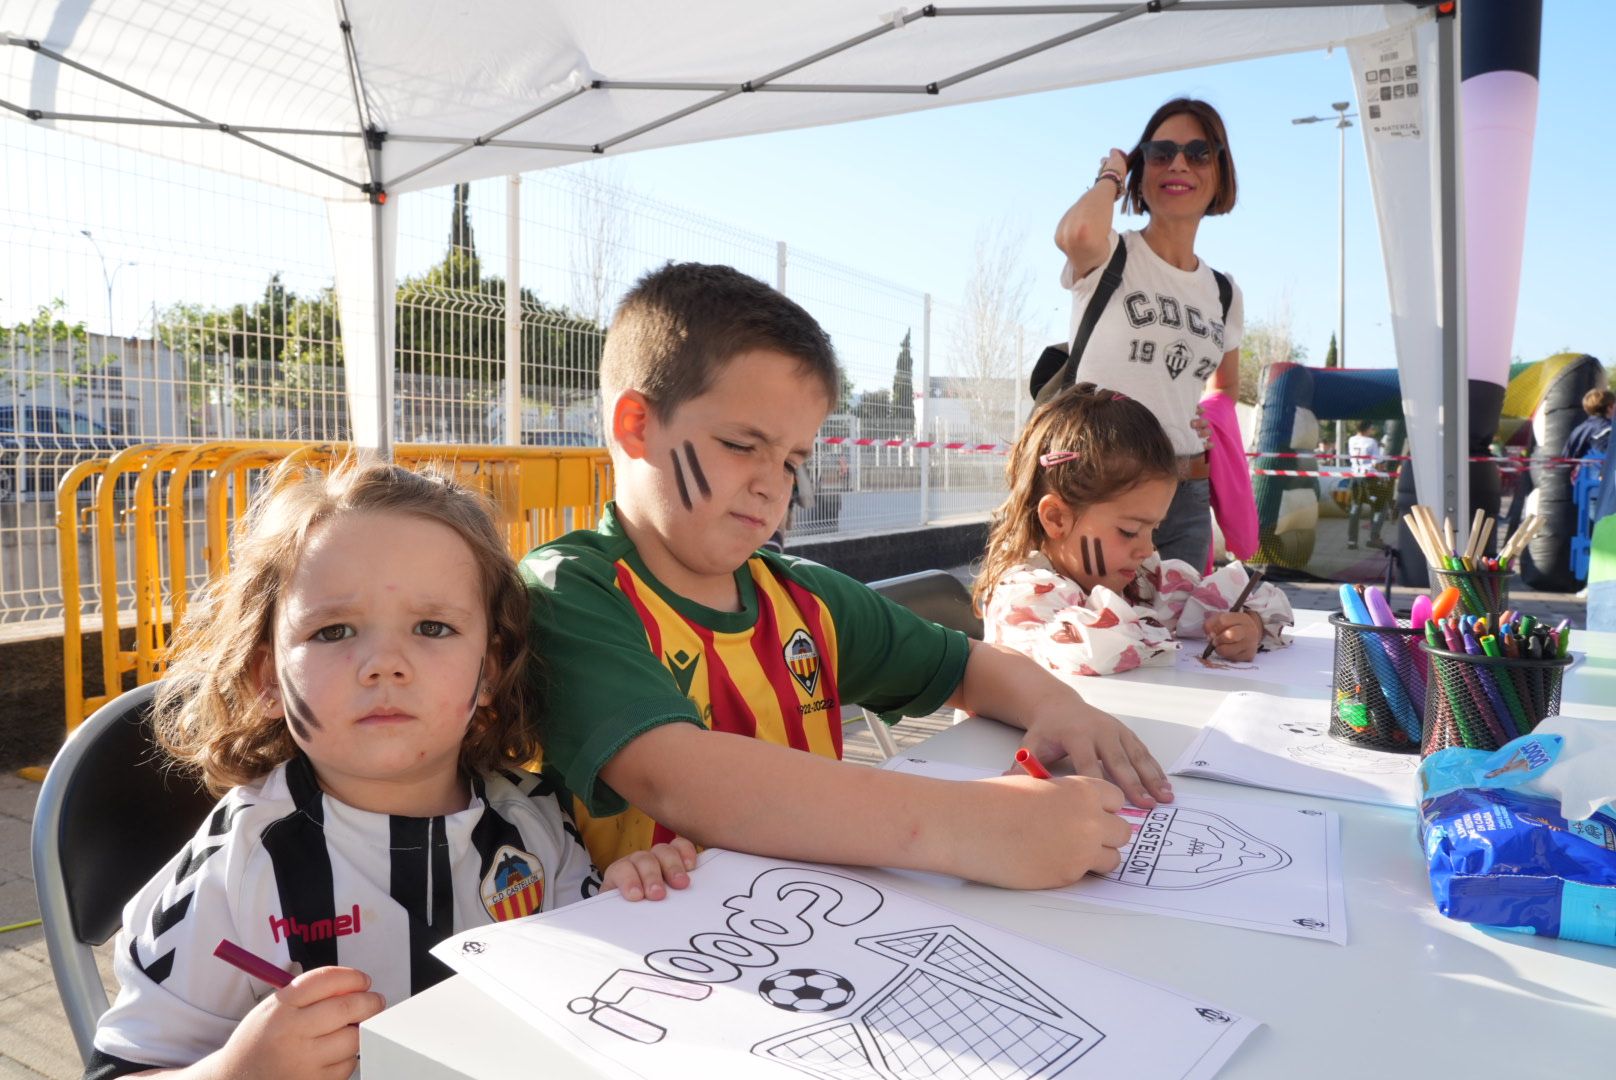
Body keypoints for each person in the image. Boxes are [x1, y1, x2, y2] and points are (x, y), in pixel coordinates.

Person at [524, 261, 1171, 895]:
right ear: (637, 425)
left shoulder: (802, 598)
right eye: (742, 444)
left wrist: (1061, 709)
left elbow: (971, 667)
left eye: (792, 458)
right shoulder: (570, 594)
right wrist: (980, 825)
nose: (771, 485)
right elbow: (680, 777)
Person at [89, 458, 697, 1079]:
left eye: (432, 627)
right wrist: (235, 1073)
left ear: (488, 671)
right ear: (267, 678)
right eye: (334, 631)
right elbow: (118, 1070)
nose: (384, 663)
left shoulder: (534, 820)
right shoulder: (237, 865)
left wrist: (628, 912)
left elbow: (585, 995)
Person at [975, 384, 1291, 677]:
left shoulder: (1143, 581)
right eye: (1129, 531)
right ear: (1057, 518)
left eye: (1153, 529)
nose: (1147, 549)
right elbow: (1090, 652)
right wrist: (1163, 622)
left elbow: (1250, 595)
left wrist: (1248, 624)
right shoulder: (1024, 598)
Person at [1052, 97, 1244, 569]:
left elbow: (1227, 386)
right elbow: (1074, 234)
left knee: (1182, 632)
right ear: (1144, 171)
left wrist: (1208, 420)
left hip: (1186, 492)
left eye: (1199, 153)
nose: (1179, 163)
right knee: (1096, 630)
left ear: (1219, 171)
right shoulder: (1111, 254)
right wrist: (1113, 173)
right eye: (1160, 153)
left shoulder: (1223, 292)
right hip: (1104, 487)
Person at [1346, 420, 1388, 550]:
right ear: (1368, 428)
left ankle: (1352, 541)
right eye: (1371, 428)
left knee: (1355, 508)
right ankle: (1373, 538)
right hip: (1369, 479)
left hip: (1355, 477)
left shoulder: (1351, 440)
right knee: (1380, 507)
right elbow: (1377, 461)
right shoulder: (1372, 442)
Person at [1563, 388, 1614, 473]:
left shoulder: (1579, 430)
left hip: (1583, 481)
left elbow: (1566, 457)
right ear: (1609, 408)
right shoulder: (1608, 429)